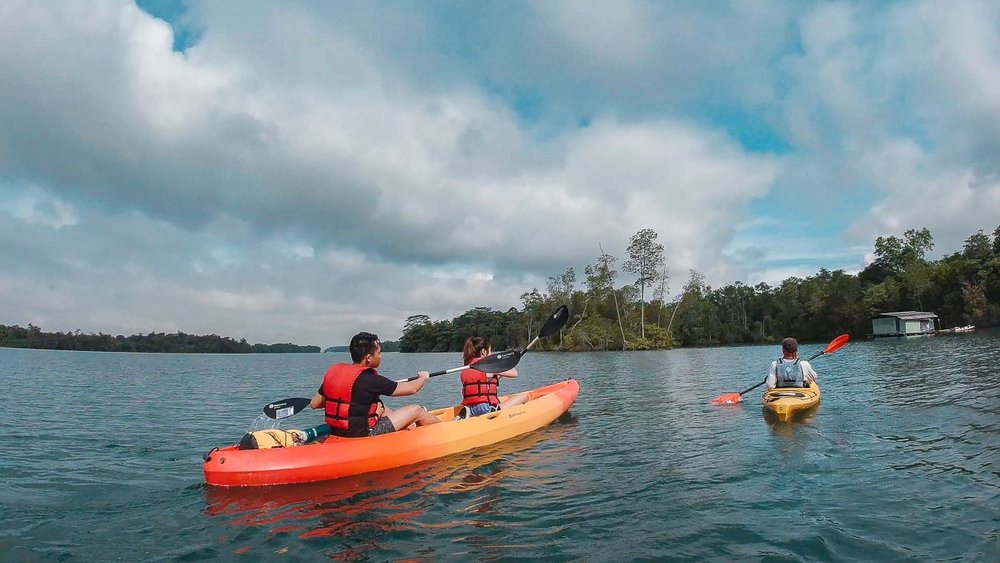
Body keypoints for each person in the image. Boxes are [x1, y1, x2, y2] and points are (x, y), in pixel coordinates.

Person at [309, 332, 440, 437]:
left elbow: (315, 404)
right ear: (369, 358)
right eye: (379, 353)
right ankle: (445, 429)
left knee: (379, 405)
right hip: (364, 433)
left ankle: (407, 426)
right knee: (416, 410)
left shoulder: (334, 374)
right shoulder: (371, 380)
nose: (380, 356)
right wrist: (423, 377)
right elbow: (412, 388)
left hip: (337, 431)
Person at [457, 336, 530, 418]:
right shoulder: (488, 367)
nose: (491, 354)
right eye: (490, 351)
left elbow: (484, 381)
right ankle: (492, 411)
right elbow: (514, 373)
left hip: (470, 407)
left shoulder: (466, 368)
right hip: (484, 409)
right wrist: (506, 364)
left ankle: (467, 413)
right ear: (484, 352)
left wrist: (498, 374)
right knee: (524, 396)